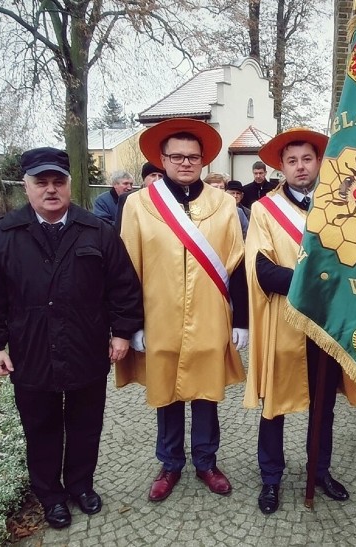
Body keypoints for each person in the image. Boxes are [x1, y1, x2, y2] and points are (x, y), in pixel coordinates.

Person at [0, 147, 143, 529]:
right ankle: (50, 495)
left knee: (85, 424)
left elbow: (124, 287)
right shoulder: (2, 234)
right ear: (26, 186)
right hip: (31, 351)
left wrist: (122, 332)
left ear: (69, 184)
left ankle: (81, 485)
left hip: (86, 347)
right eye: (40, 182)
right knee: (41, 428)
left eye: (58, 181)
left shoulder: (97, 230)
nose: (50, 190)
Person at [114, 118, 248, 503]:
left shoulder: (223, 204)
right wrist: (131, 324)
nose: (185, 163)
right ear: (162, 158)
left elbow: (237, 263)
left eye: (193, 157)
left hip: (210, 314)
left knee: (206, 391)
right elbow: (126, 268)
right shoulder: (138, 205)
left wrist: (241, 321)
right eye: (177, 156)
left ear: (203, 160)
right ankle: (170, 463)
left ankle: (206, 461)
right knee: (166, 392)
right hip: (159, 316)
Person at [243, 128, 351, 515]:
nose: (300, 167)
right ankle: (271, 477)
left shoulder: (339, 205)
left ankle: (319, 471)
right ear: (281, 167)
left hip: (326, 325)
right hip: (284, 321)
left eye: (307, 159)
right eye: (292, 161)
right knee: (275, 404)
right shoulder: (264, 210)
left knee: (324, 406)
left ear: (318, 161)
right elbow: (261, 268)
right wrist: (314, 283)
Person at [206, 173, 248, 238]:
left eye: (222, 187)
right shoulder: (198, 209)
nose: (219, 190)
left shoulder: (237, 211)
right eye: (215, 187)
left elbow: (247, 235)